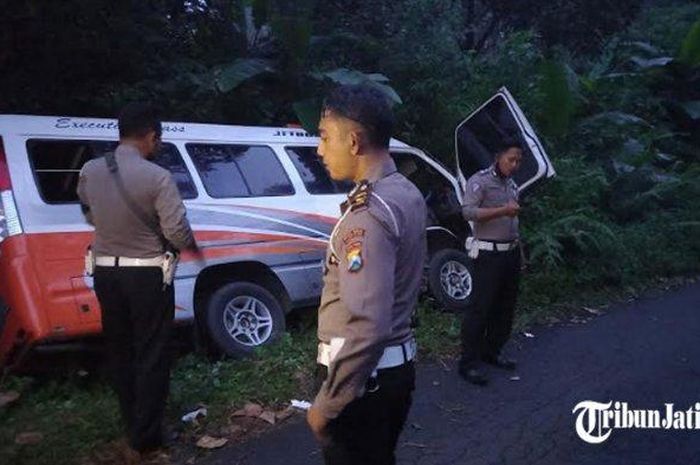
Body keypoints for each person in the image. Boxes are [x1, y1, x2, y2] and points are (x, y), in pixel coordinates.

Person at [306, 84, 427, 465]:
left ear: (354, 141)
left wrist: (327, 404)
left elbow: (368, 325)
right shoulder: (404, 191)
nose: (319, 149)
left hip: (363, 384)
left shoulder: (368, 216)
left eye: (325, 137)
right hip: (390, 373)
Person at [77, 103, 201, 455]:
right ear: (149, 136)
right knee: (152, 351)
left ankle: (133, 422)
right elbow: (176, 229)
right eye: (157, 140)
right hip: (145, 274)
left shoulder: (89, 170)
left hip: (104, 272)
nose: (157, 145)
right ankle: (146, 437)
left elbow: (88, 211)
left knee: (121, 350)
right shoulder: (157, 177)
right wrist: (185, 245)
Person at [458, 139, 523, 386]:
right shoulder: (480, 181)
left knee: (505, 308)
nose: (515, 165)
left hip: (510, 254)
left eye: (518, 160)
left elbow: (514, 223)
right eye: (511, 160)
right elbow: (468, 212)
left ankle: (491, 351)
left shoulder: (512, 185)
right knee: (480, 309)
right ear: (498, 157)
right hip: (488, 255)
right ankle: (468, 363)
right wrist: (501, 211)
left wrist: (521, 253)